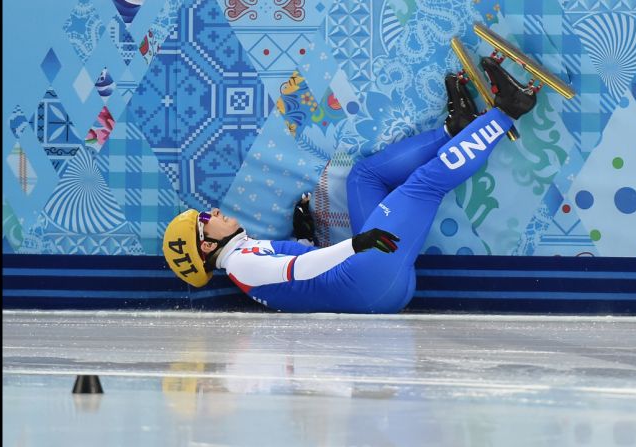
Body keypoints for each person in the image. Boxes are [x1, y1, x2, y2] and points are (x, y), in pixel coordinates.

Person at [163, 66, 537, 313]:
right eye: (205, 221)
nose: (212, 212)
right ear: (207, 246)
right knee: (423, 185)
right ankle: (508, 110)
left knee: (363, 178)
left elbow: (303, 278)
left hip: (373, 284)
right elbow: (304, 267)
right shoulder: (241, 263)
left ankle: (455, 130)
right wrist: (356, 244)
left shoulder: (243, 257)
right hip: (369, 276)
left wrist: (305, 235)